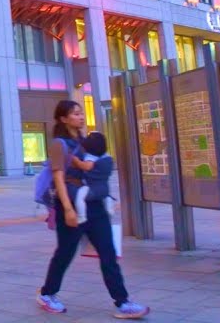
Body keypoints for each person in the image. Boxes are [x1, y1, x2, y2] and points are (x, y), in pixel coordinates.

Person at [37, 100, 148, 318]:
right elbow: (58, 178)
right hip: (71, 204)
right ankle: (47, 293)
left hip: (94, 204)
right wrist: (68, 210)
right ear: (63, 118)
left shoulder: (85, 141)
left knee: (108, 252)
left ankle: (123, 302)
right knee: (65, 252)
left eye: (81, 113)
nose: (81, 117)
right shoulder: (59, 144)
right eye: (75, 114)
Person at [71, 132, 115, 226]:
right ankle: (109, 208)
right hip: (104, 187)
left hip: (92, 187)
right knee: (105, 196)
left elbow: (87, 167)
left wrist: (76, 161)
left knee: (80, 195)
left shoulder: (91, 156)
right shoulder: (106, 156)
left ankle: (82, 216)